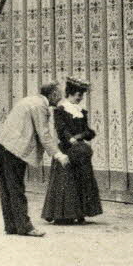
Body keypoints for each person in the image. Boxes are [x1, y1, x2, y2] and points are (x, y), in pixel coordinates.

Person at [0, 83, 68, 237]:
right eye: (60, 94)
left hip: (2, 145)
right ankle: (25, 227)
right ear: (52, 94)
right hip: (14, 149)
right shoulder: (40, 106)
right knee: (17, 188)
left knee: (7, 189)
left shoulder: (31, 100)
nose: (61, 98)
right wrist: (59, 155)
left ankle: (12, 226)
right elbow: (44, 134)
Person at [41, 77, 102, 224]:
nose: (80, 98)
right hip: (67, 150)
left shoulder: (82, 112)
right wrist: (71, 139)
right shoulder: (60, 110)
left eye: (82, 95)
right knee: (68, 181)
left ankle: (80, 212)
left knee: (82, 180)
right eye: (78, 95)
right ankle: (64, 215)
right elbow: (61, 130)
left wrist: (80, 136)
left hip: (80, 151)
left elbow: (89, 132)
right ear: (70, 94)